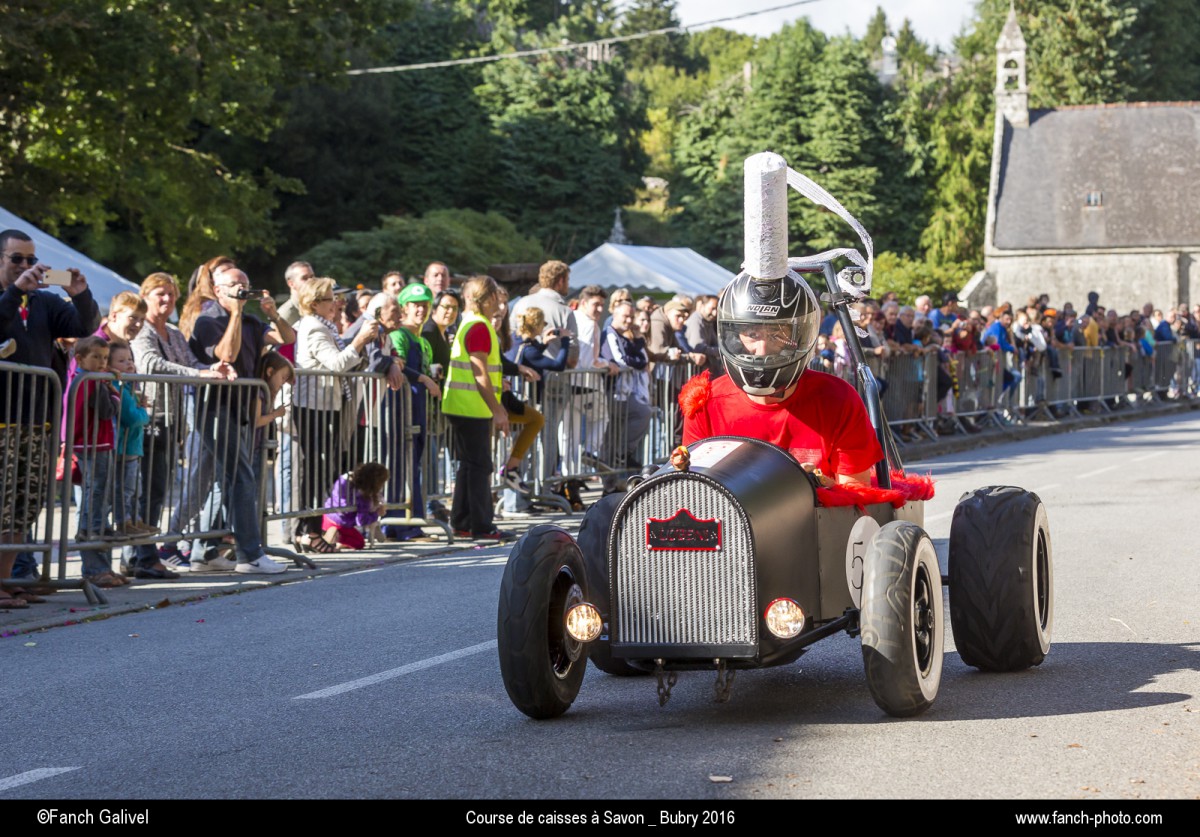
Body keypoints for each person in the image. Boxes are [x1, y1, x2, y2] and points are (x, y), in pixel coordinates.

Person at [680, 272, 882, 486]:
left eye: (778, 334)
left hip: (814, 517)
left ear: (800, 335)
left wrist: (817, 486)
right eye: (752, 334)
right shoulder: (706, 403)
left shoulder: (838, 399)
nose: (762, 350)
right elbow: (694, 491)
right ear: (733, 334)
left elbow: (856, 495)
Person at [1, 228, 100, 600]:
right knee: (4, 503)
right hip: (3, 419)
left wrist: (81, 294)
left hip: (37, 418)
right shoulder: (9, 297)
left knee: (26, 503)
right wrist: (15, 292)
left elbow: (85, 328)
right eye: (16, 259)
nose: (26, 266)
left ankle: (8, 580)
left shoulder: (43, 301)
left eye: (31, 259)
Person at [188, 263, 294, 574]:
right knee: (242, 477)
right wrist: (234, 313)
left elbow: (286, 338)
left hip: (242, 409)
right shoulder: (208, 319)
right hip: (216, 408)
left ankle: (204, 553)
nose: (241, 289)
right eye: (235, 284)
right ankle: (250, 554)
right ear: (218, 290)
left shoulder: (251, 319)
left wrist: (272, 313)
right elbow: (226, 356)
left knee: (226, 482)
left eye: (245, 283)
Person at [129, 272, 233, 572]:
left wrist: (214, 367)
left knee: (157, 491)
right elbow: (152, 364)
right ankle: (142, 557)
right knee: (147, 490)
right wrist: (199, 374)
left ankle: (141, 556)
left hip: (171, 417)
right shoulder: (142, 329)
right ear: (145, 296)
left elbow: (190, 363)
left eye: (171, 294)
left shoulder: (173, 332)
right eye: (160, 293)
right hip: (147, 417)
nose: (166, 299)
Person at [291, 277, 378, 553]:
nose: (337, 303)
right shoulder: (315, 328)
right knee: (318, 472)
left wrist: (360, 349)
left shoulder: (324, 326)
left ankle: (309, 530)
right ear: (315, 303)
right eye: (331, 298)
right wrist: (361, 340)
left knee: (322, 471)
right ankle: (308, 531)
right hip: (313, 406)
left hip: (325, 405)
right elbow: (336, 364)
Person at [441, 275, 514, 541]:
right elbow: (480, 372)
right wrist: (498, 409)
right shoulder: (480, 326)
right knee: (480, 465)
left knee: (470, 465)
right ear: (488, 298)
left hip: (463, 405)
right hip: (471, 406)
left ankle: (462, 522)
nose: (499, 302)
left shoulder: (470, 323)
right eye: (495, 296)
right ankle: (482, 526)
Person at [383, 284, 442, 540]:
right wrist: (424, 379)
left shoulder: (420, 338)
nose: (421, 309)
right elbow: (398, 368)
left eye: (425, 304)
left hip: (418, 411)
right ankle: (403, 525)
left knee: (413, 466)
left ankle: (410, 522)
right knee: (402, 466)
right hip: (402, 411)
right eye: (415, 304)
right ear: (404, 307)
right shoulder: (400, 336)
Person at [68, 336, 126, 587]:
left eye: (104, 358)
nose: (102, 363)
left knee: (98, 496)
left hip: (96, 443)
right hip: (93, 444)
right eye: (96, 358)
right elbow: (106, 409)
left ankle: (99, 559)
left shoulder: (91, 379)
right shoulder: (88, 381)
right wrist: (114, 393)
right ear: (79, 359)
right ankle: (94, 554)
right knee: (96, 497)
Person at [321, 462, 389, 551]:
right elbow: (361, 520)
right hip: (342, 524)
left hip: (327, 516)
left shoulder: (342, 480)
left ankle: (330, 537)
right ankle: (339, 539)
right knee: (359, 542)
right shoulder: (363, 496)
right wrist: (376, 514)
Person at [277, 261, 315, 327]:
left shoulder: (317, 306)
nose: (310, 281)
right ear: (291, 283)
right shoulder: (285, 314)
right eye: (304, 278)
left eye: (312, 277)